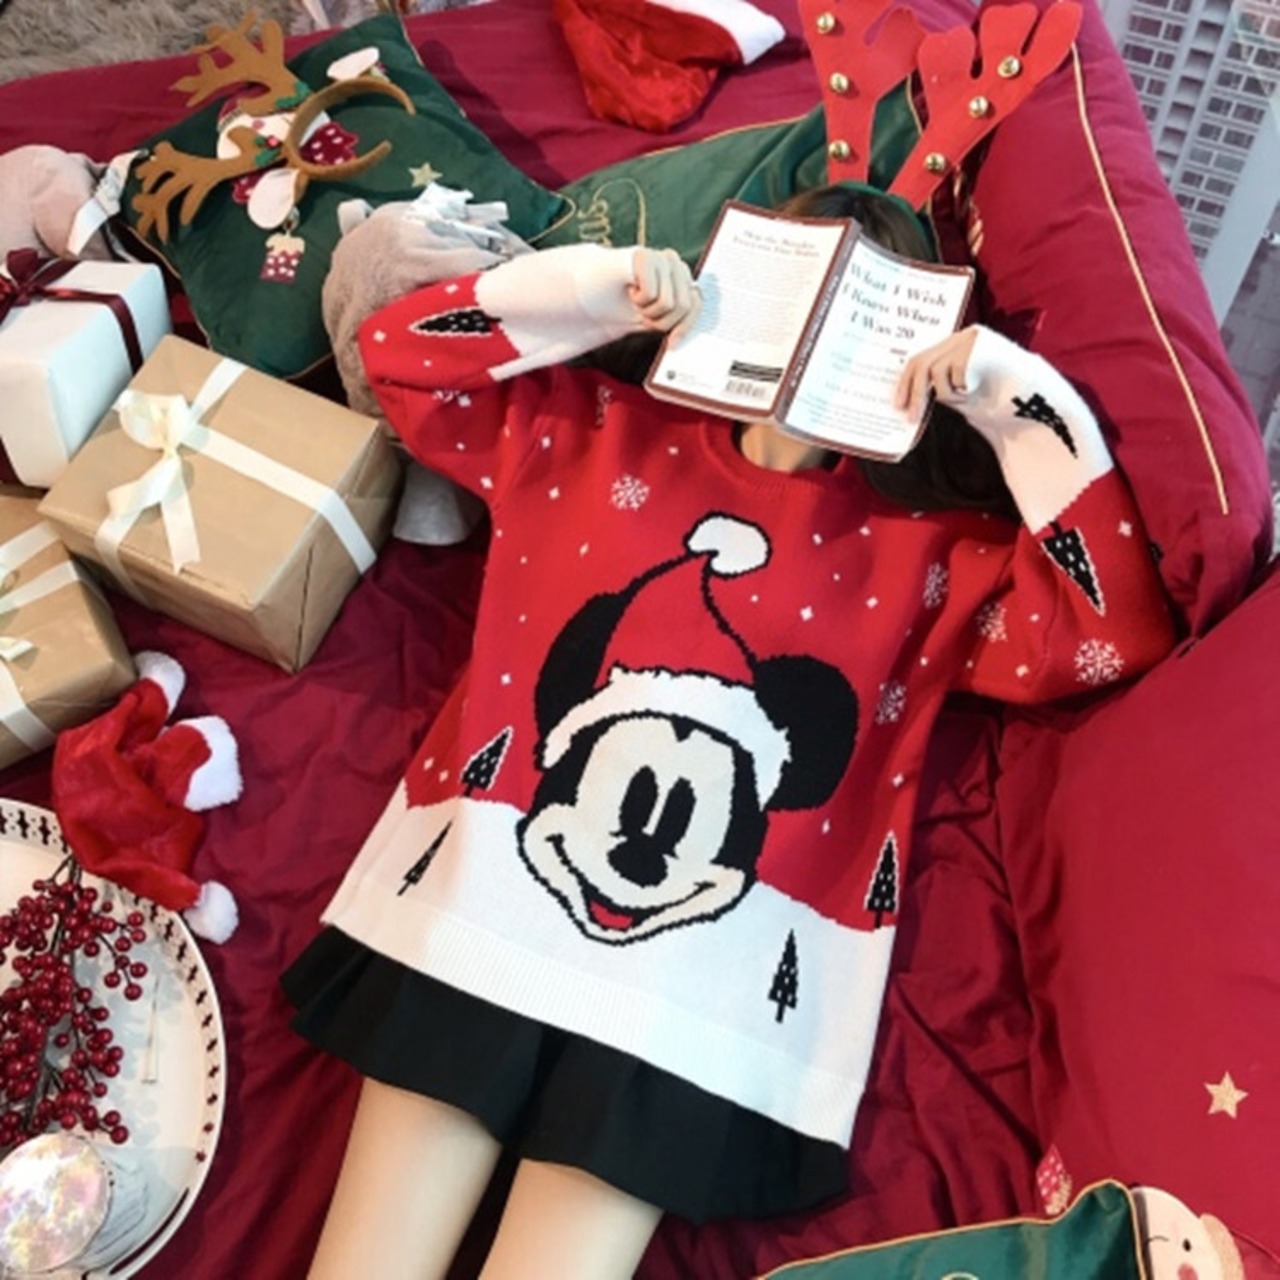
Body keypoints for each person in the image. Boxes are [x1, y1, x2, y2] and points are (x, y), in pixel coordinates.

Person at [284, 184, 1175, 1280]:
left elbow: (1111, 630)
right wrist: (594, 295)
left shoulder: (928, 553)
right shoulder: (589, 430)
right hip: (486, 912)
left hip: (700, 998)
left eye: (867, 300)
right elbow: (401, 356)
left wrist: (1013, 399)